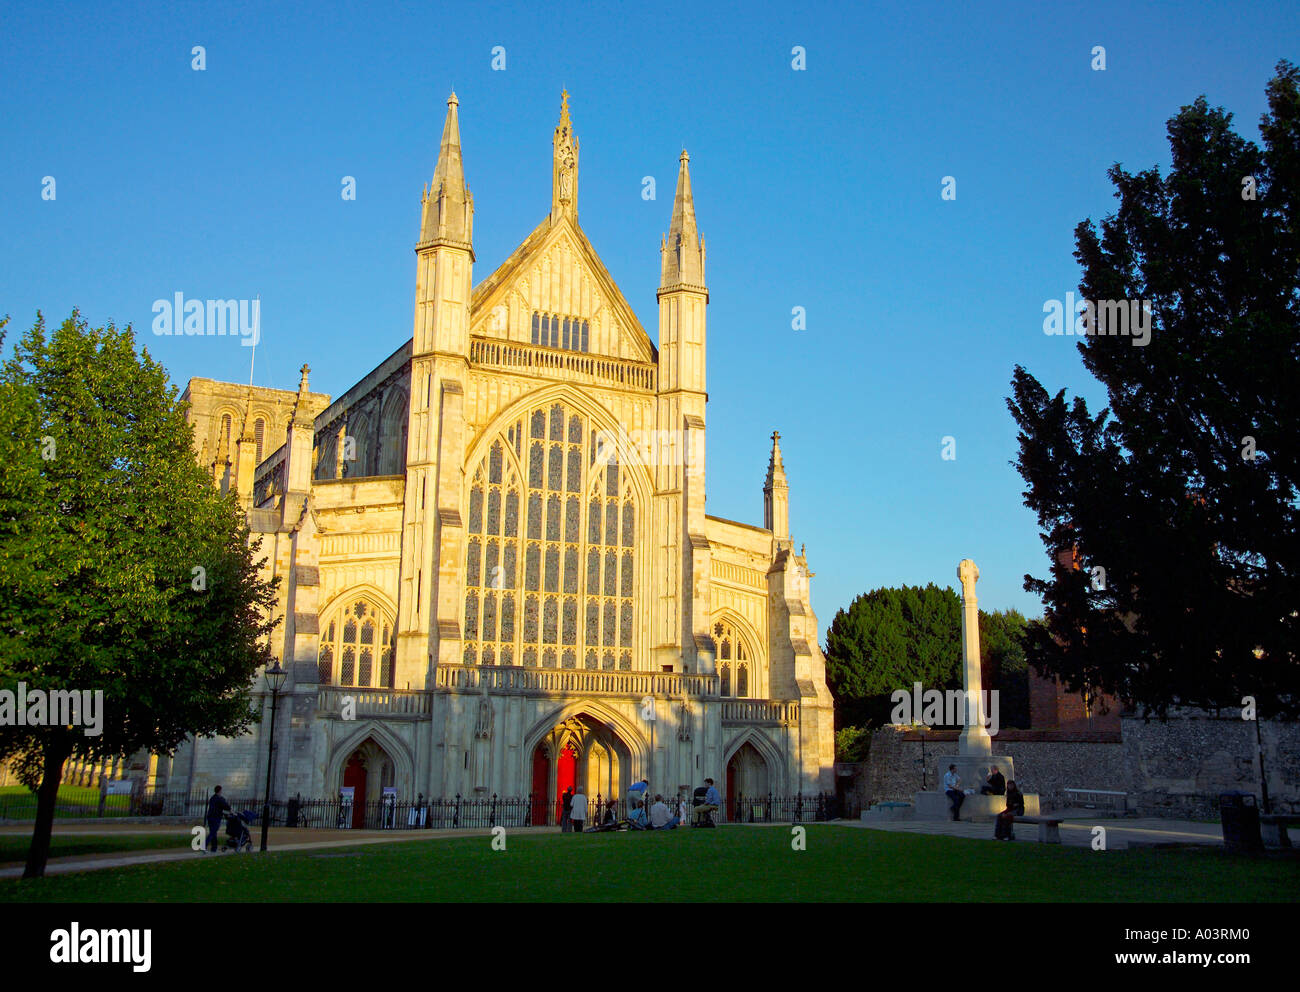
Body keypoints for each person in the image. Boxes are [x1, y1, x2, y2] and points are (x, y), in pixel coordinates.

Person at [205, 785, 230, 852]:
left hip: (210, 817)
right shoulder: (220, 799)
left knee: (213, 833)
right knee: (213, 832)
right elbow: (227, 806)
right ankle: (204, 845)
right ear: (220, 791)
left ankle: (214, 848)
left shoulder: (212, 798)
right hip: (216, 817)